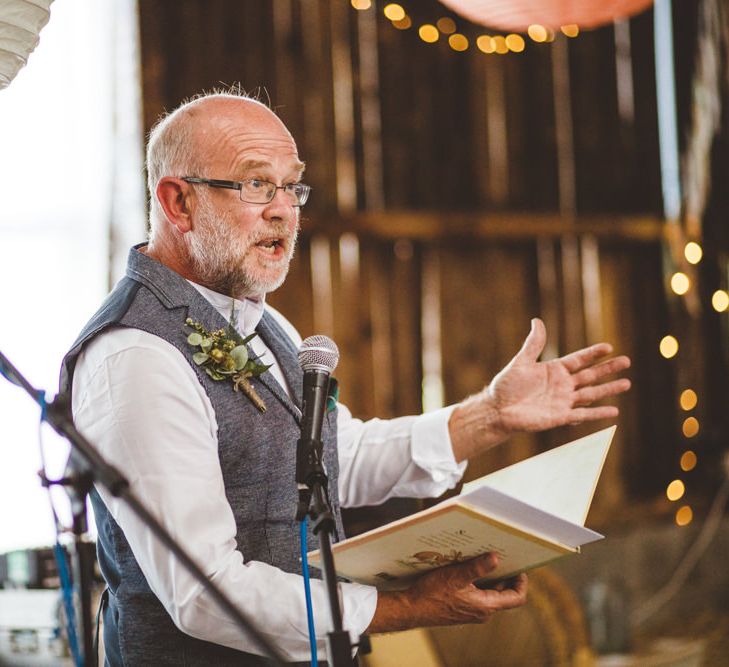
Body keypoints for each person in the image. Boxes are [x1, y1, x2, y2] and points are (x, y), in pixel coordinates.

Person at [60, 92, 631, 666]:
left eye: (293, 186)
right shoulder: (135, 356)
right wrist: (406, 608)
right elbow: (205, 590)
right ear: (178, 202)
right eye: (257, 185)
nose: (284, 209)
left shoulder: (260, 320)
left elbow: (338, 459)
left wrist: (489, 415)